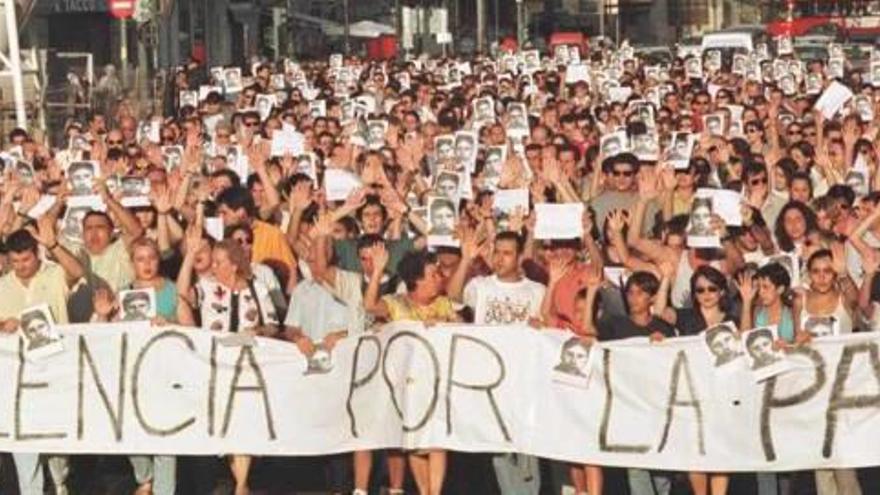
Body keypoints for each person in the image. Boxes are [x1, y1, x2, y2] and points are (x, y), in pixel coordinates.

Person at [365, 250, 460, 495]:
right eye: (433, 273)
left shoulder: (443, 303)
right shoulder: (395, 303)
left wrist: (447, 324)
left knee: (437, 440)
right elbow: (369, 307)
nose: (440, 277)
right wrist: (377, 271)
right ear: (417, 280)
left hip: (437, 385)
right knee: (414, 443)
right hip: (405, 387)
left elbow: (463, 330)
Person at [0, 219, 84, 495]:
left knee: (57, 445)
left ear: (36, 254)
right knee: (24, 444)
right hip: (16, 379)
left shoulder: (53, 273)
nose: (20, 266)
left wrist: (53, 245)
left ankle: (60, 482)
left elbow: (77, 270)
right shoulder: (2, 285)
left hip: (56, 372)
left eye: (25, 259)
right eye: (14, 261)